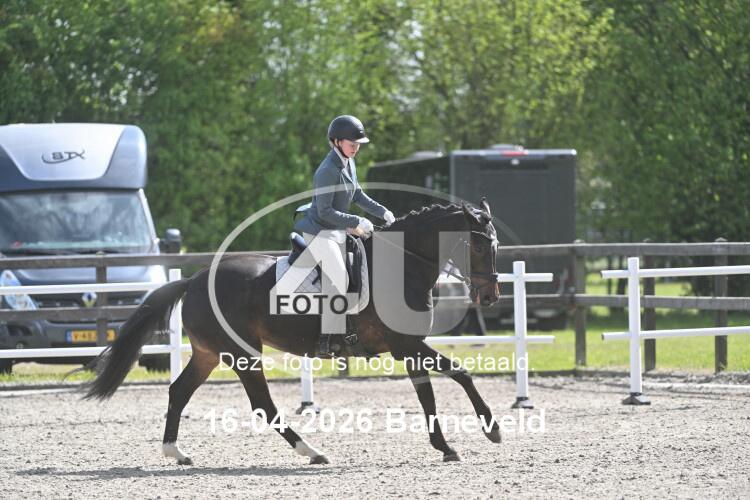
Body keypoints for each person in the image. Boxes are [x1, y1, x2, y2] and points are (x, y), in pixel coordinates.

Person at [293, 115, 395, 356]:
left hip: (336, 229)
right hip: (319, 230)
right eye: (352, 143)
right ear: (336, 142)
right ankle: (326, 338)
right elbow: (324, 212)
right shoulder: (327, 170)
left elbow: (357, 195)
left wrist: (383, 212)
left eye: (358, 144)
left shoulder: (349, 162)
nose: (356, 148)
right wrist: (356, 221)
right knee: (339, 276)